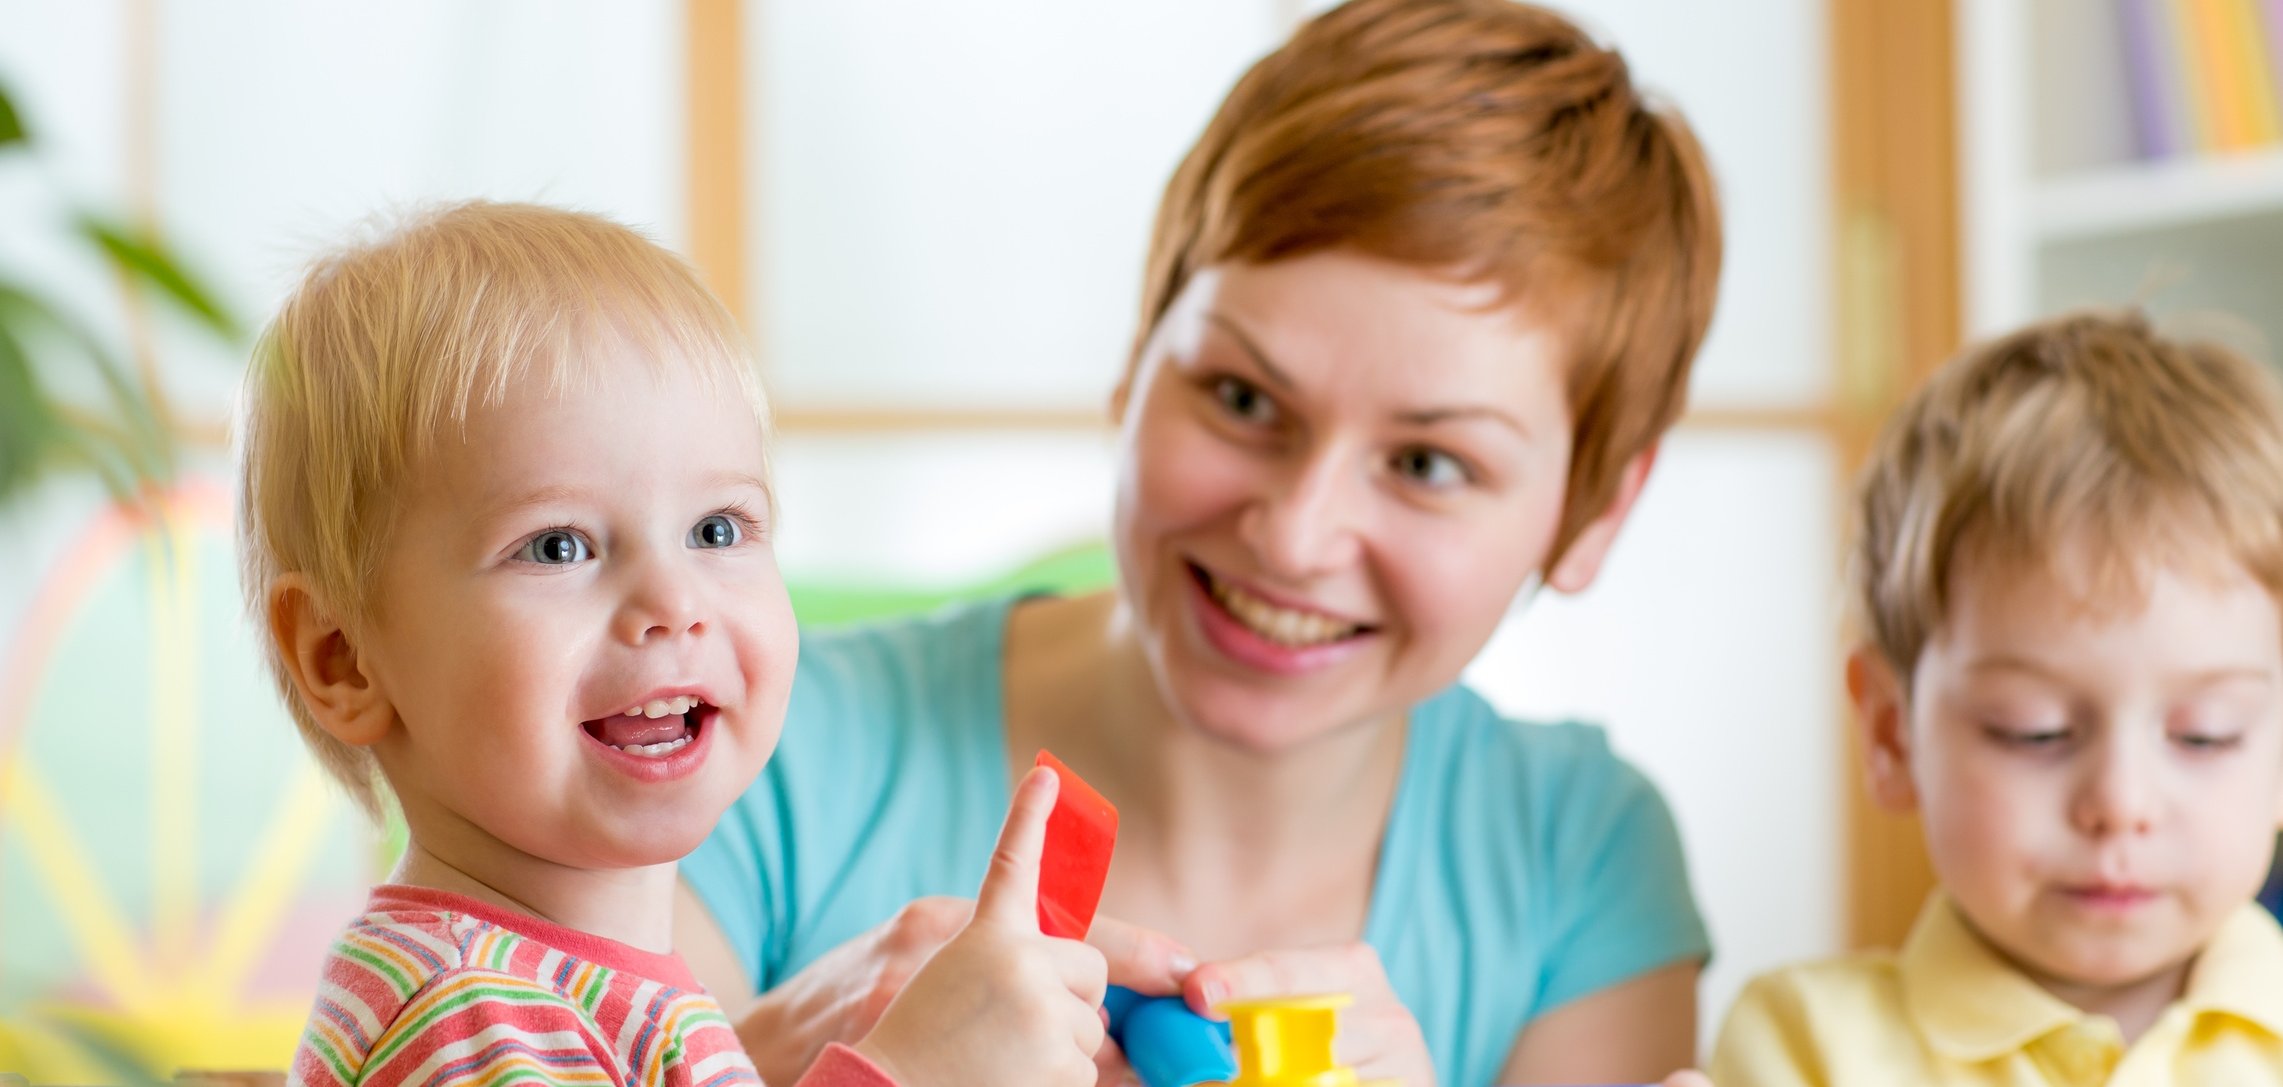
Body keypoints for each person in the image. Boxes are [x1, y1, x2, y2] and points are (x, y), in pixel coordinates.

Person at [676, 1, 1724, 1083]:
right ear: (1139, 353)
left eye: (1428, 464)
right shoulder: (749, 741)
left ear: (1594, 512)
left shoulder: (1584, 860)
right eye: (1240, 396)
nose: (1297, 532)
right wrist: (766, 1058)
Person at [241, 202, 1112, 1086]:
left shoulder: (598, 993)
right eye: (558, 545)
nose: (673, 600)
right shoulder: (465, 1015)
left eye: (717, 528)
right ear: (342, 658)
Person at [1709, 312, 2283, 1084]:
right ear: (1890, 733)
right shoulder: (1805, 1042)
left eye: (2202, 734)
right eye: (2034, 730)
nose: (2119, 802)